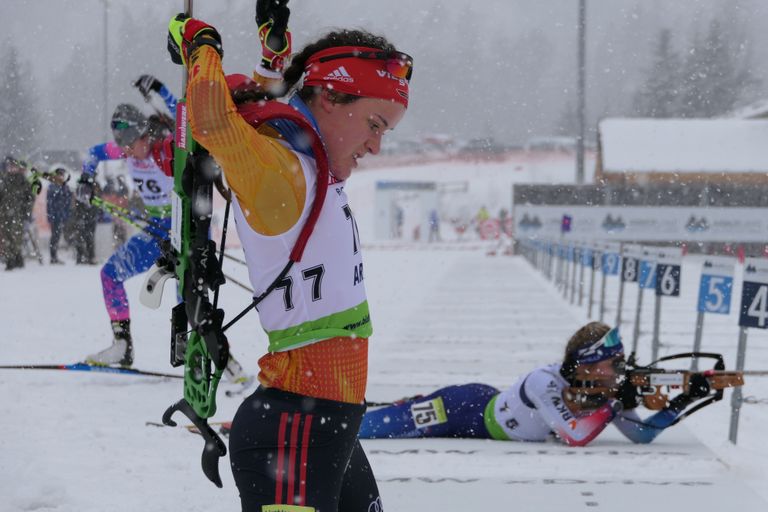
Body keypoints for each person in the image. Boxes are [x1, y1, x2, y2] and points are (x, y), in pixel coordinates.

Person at [168, 2, 412, 509]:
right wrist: (200, 42)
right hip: (295, 428)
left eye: (385, 130)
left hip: (327, 424)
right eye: (373, 123)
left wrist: (271, 59)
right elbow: (214, 118)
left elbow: (266, 109)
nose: (376, 145)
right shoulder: (280, 173)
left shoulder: (305, 159)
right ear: (327, 99)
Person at [360, 322, 711, 446]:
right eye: (613, 363)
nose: (618, 370)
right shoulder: (544, 381)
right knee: (371, 428)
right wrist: (617, 403)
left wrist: (682, 402)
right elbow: (575, 434)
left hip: (483, 406)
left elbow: (641, 435)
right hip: (461, 409)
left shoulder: (602, 393)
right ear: (588, 364)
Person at [76, 77, 177, 366]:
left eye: (131, 146)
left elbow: (187, 121)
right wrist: (86, 177)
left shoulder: (167, 148)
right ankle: (122, 345)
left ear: (144, 134)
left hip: (184, 231)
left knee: (187, 292)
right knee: (110, 274)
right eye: (124, 148)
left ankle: (204, 350)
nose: (127, 153)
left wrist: (160, 89)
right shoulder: (125, 148)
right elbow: (93, 155)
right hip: (154, 233)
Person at [0, 156, 35, 271]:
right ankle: (15, 258)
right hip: (4, 214)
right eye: (10, 166)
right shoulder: (4, 181)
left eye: (14, 166)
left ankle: (13, 259)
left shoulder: (23, 181)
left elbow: (30, 198)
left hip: (18, 214)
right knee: (6, 237)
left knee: (16, 238)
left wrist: (27, 212)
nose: (12, 169)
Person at [46, 165, 73, 264]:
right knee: (55, 237)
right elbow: (50, 203)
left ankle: (55, 256)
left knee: (60, 236)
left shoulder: (65, 187)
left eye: (62, 175)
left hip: (63, 215)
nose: (61, 177)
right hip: (55, 216)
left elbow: (68, 201)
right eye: (59, 175)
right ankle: (53, 257)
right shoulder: (52, 187)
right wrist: (51, 216)